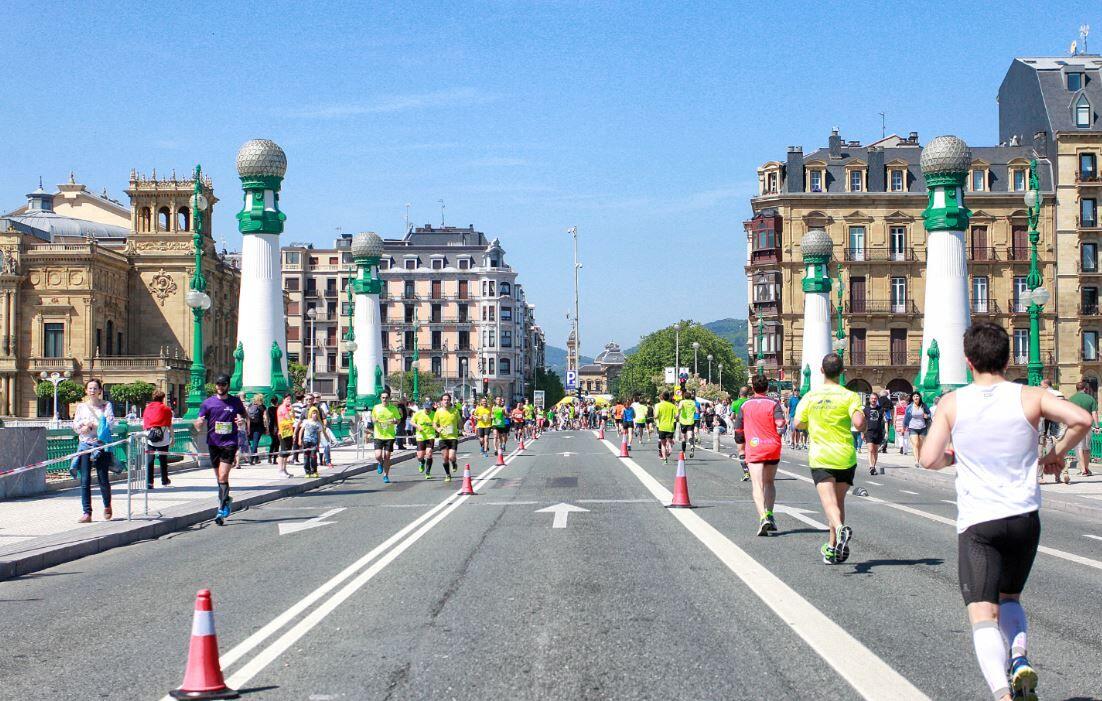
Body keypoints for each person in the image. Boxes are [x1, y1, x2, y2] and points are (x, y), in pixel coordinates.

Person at [919, 322, 1091, 701]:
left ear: (968, 362)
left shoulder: (952, 403)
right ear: (1007, 358)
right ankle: (1018, 658)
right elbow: (1083, 420)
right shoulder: (1031, 396)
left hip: (980, 522)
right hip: (1024, 518)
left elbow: (928, 459)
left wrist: (955, 456)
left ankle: (1002, 693)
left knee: (983, 614)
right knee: (1010, 599)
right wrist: (1054, 455)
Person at [794, 353, 865, 565]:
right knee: (838, 502)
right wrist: (862, 424)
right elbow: (859, 422)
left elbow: (797, 423)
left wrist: (812, 424)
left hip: (821, 456)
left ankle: (841, 530)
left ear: (821, 370)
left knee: (828, 503)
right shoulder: (849, 396)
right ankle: (833, 548)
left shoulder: (810, 396)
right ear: (842, 372)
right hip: (845, 455)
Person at [734, 374, 786, 536]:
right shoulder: (774, 404)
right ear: (767, 388)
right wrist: (778, 433)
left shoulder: (745, 405)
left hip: (754, 447)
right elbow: (780, 424)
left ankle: (763, 517)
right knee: (769, 482)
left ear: (753, 388)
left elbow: (738, 430)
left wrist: (741, 448)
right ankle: (770, 513)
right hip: (772, 447)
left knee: (757, 485)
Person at [195, 374, 248, 525]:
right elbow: (198, 422)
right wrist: (198, 423)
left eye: (223, 384)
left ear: (228, 386)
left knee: (223, 476)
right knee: (219, 478)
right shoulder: (208, 403)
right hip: (213, 443)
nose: (220, 387)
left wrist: (241, 420)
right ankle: (226, 499)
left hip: (229, 443)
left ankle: (221, 508)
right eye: (218, 384)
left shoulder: (235, 402)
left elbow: (244, 417)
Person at [72, 378, 116, 523]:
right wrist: (83, 426)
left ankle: (107, 505)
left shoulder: (106, 406)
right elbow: (75, 426)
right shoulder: (81, 407)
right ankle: (87, 512)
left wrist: (92, 425)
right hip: (85, 444)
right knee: (85, 479)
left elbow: (109, 424)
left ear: (99, 391)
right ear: (86, 390)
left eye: (95, 388)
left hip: (101, 445)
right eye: (90, 388)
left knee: (102, 477)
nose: (92, 390)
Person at [143, 389, 174, 489]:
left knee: (149, 461)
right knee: (163, 460)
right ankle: (164, 480)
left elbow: (144, 425)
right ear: (163, 398)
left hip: (150, 437)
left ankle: (149, 482)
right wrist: (172, 437)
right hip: (163, 438)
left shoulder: (147, 409)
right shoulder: (166, 409)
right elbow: (169, 425)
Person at [1068, 381, 1097, 477]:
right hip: (1088, 425)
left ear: (1077, 389)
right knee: (1087, 447)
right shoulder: (1091, 398)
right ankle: (1087, 468)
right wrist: (1096, 425)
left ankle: (1083, 469)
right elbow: (1094, 413)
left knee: (1079, 447)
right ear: (1085, 389)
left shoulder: (1071, 399)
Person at [371, 390, 402, 483]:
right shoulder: (376, 408)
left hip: (389, 435)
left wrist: (395, 421)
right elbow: (372, 418)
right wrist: (374, 420)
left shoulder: (393, 408)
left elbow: (399, 420)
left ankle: (386, 475)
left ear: (389, 398)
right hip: (378, 435)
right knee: (378, 455)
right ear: (380, 398)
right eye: (383, 397)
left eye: (386, 398)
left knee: (387, 456)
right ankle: (380, 462)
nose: (384, 399)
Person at [432, 393, 461, 482]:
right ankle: (448, 474)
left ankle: (453, 463)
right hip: (443, 437)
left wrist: (461, 428)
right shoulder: (438, 412)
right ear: (441, 401)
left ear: (450, 401)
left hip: (453, 437)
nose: (446, 401)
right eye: (444, 400)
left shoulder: (455, 411)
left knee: (451, 456)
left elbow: (459, 422)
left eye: (448, 400)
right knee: (445, 457)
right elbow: (434, 423)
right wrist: (438, 429)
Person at [863, 393, 888, 476]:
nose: (873, 400)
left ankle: (874, 466)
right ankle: (871, 467)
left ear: (877, 400)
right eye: (872, 398)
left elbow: (885, 421)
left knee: (875, 451)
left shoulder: (881, 409)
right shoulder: (865, 409)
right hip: (868, 432)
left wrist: (886, 432)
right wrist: (862, 432)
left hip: (878, 432)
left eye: (875, 399)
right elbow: (863, 422)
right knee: (870, 449)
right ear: (869, 399)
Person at [903, 392, 931, 467]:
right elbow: (906, 418)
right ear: (912, 398)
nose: (916, 398)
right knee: (915, 444)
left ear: (920, 397)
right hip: (912, 428)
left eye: (917, 396)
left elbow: (929, 414)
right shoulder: (909, 407)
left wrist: (927, 416)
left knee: (921, 445)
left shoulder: (924, 406)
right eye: (914, 396)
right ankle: (916, 460)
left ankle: (920, 459)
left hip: (922, 427)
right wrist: (904, 427)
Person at [412, 400, 437, 478]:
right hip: (420, 436)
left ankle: (428, 472)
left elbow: (437, 424)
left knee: (429, 453)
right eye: (426, 408)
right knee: (420, 456)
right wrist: (417, 426)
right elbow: (412, 422)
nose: (427, 410)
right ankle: (422, 462)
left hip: (430, 436)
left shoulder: (434, 415)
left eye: (429, 408)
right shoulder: (418, 413)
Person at [297, 406, 323, 478]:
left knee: (313, 457)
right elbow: (301, 430)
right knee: (306, 457)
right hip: (306, 441)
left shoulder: (318, 424)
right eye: (313, 413)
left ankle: (314, 471)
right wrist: (299, 439)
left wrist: (318, 444)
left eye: (316, 413)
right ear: (310, 414)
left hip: (314, 442)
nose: (314, 415)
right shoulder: (306, 421)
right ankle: (307, 471)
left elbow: (319, 434)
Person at [654, 390, 678, 463]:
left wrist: (656, 417)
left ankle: (665, 459)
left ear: (662, 397)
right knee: (669, 441)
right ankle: (670, 449)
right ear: (668, 397)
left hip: (662, 427)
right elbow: (677, 416)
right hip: (670, 427)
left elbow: (656, 416)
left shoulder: (659, 405)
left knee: (663, 444)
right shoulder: (673, 406)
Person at [275, 395, 295, 478]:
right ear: (284, 400)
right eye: (287, 399)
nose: (289, 401)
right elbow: (289, 418)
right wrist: (292, 411)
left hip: (288, 431)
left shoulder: (287, 408)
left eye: (290, 399)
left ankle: (284, 469)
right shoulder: (282, 408)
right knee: (283, 451)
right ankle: (280, 470)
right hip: (283, 432)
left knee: (287, 451)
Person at [245, 394, 267, 465]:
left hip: (251, 426)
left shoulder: (250, 405)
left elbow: (247, 416)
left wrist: (247, 427)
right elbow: (265, 418)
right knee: (255, 443)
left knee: (253, 443)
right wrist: (267, 428)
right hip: (259, 427)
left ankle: (256, 459)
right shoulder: (262, 407)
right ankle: (251, 459)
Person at [676, 389, 698, 458]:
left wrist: (677, 415)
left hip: (683, 421)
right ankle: (691, 446)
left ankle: (684, 454)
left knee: (683, 438)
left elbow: (679, 408)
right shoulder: (693, 402)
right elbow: (697, 411)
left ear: (684, 396)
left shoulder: (682, 402)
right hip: (691, 421)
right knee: (690, 436)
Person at [266, 396, 280, 464]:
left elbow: (268, 419)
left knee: (274, 442)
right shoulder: (278, 409)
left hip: (272, 426)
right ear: (277, 401)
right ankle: (274, 458)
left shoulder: (269, 409)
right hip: (277, 426)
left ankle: (270, 457)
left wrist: (267, 428)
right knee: (277, 443)